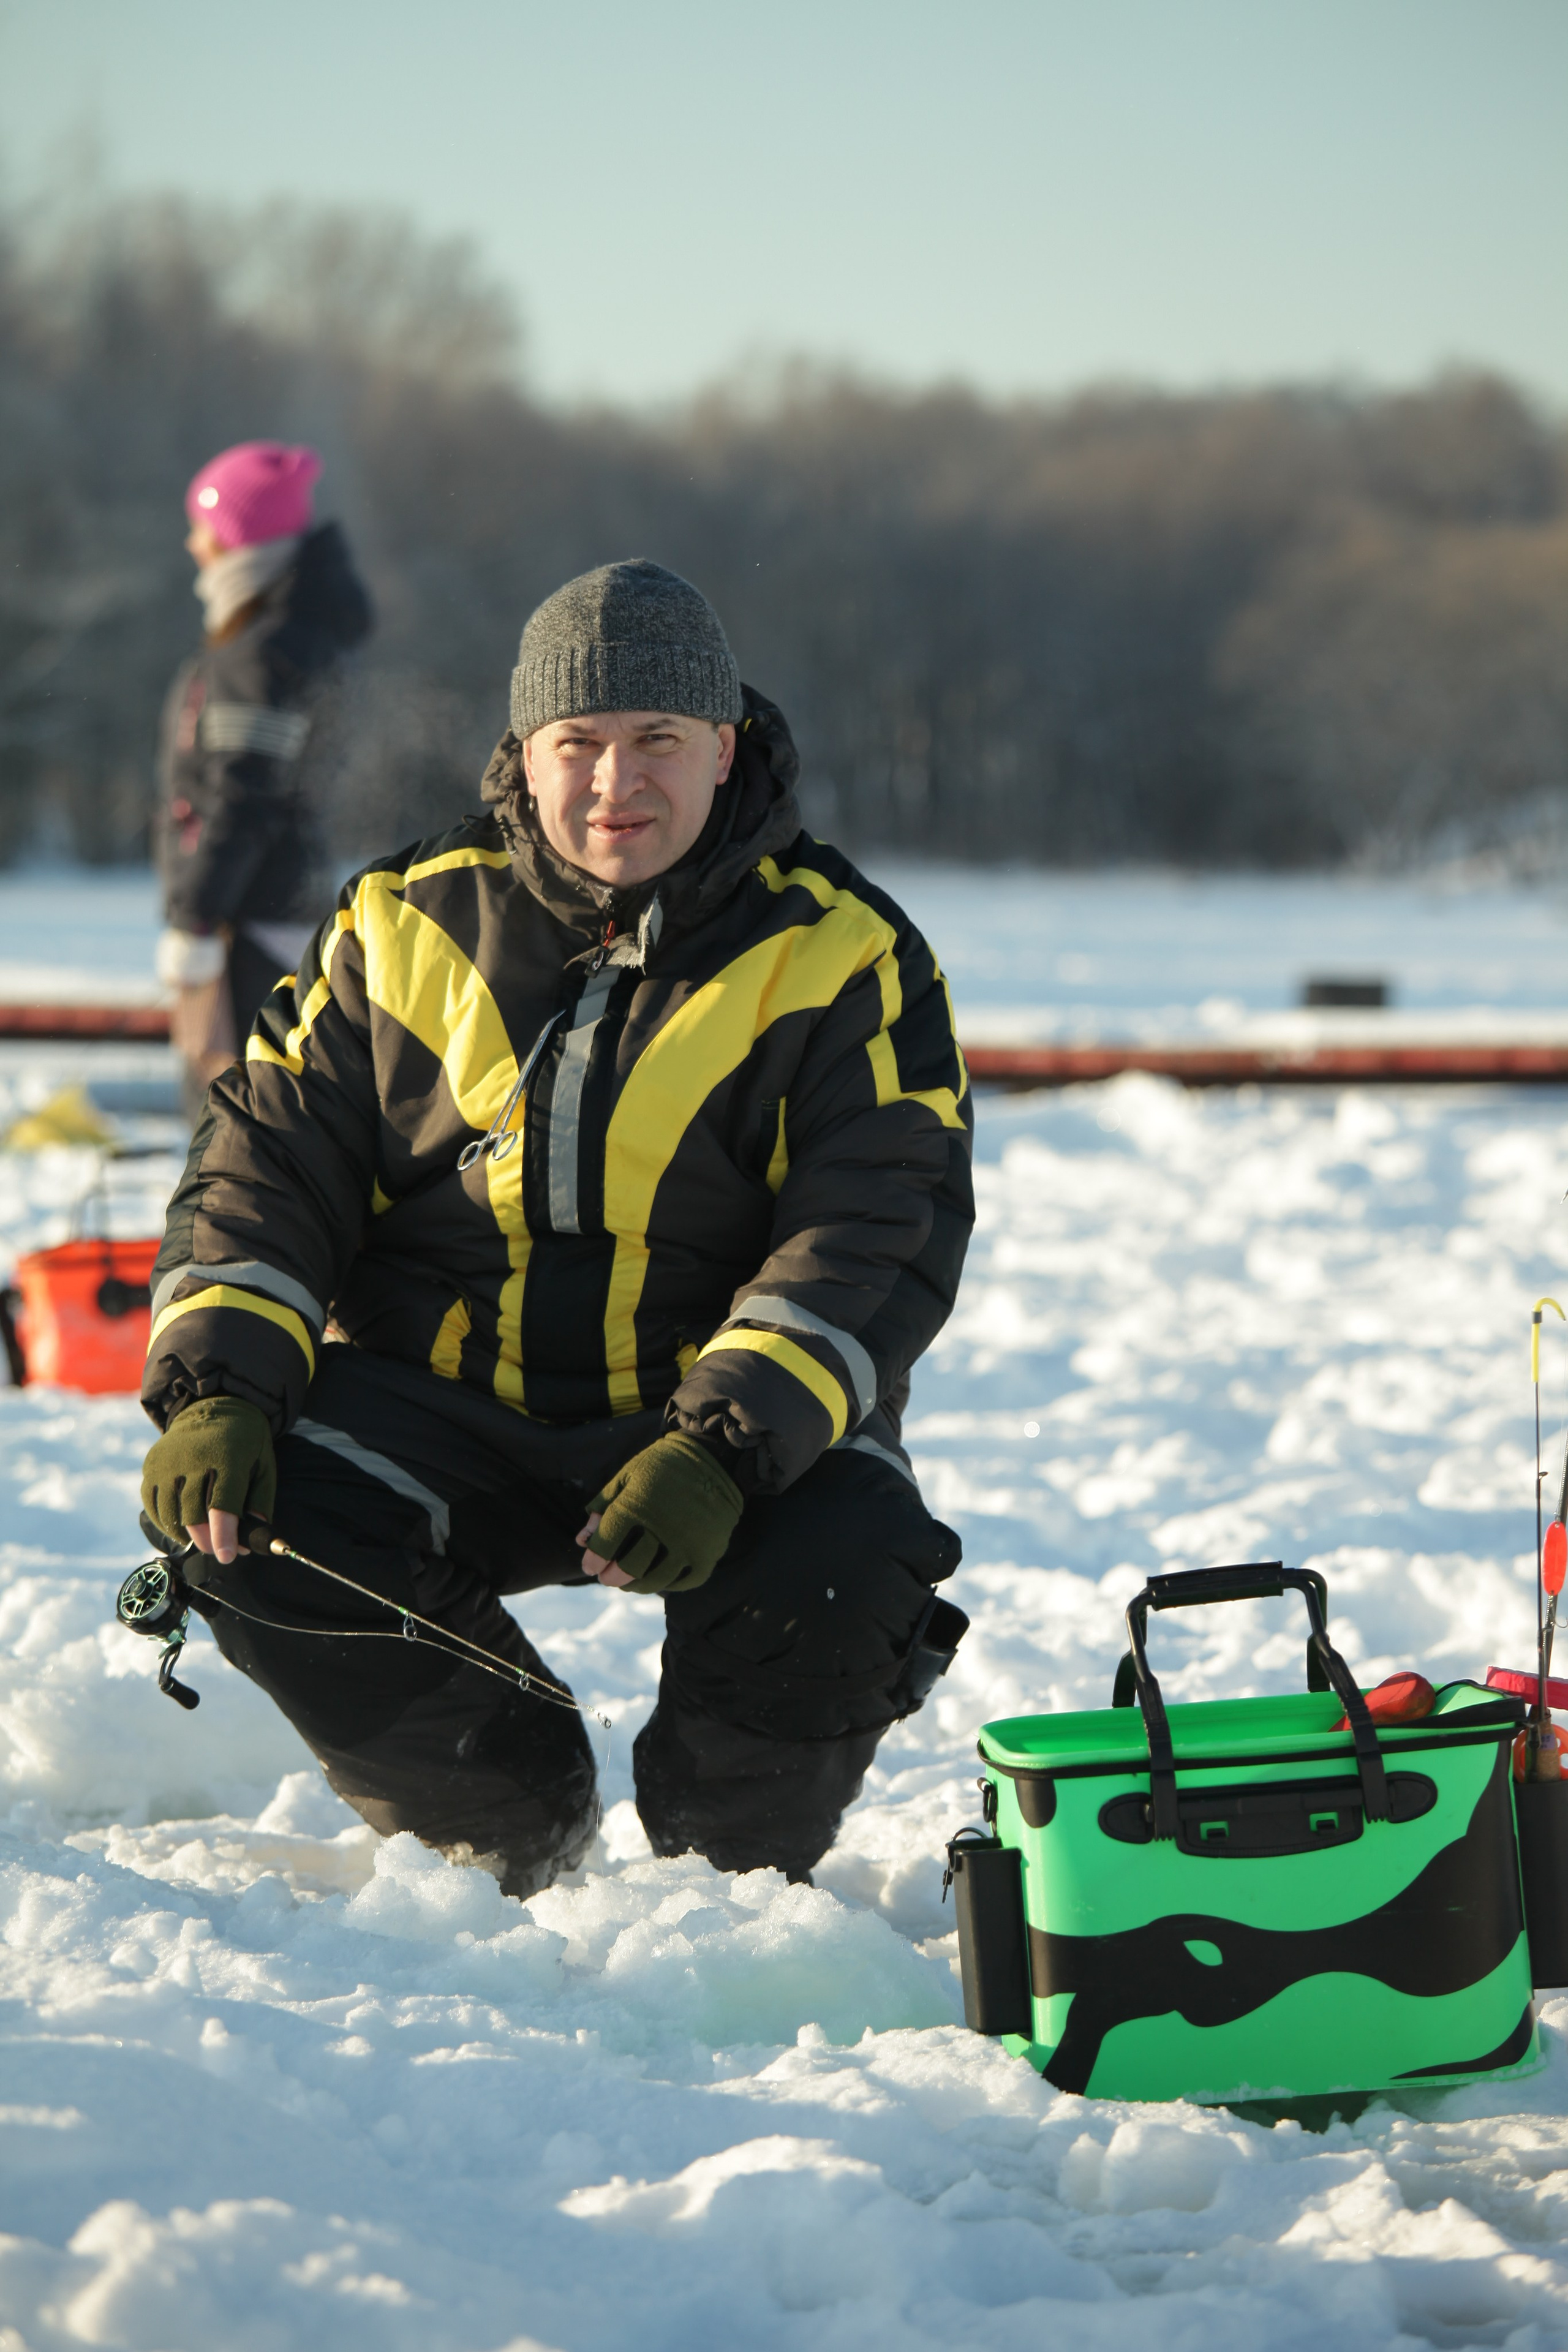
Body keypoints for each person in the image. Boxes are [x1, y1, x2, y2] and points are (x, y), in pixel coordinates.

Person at [138, 559, 974, 1895]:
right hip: (436, 1399)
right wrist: (219, 1386)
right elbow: (265, 1160)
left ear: (723, 745)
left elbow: (877, 1226)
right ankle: (507, 1822)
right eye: (576, 744)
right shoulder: (399, 922)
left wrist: (723, 1446)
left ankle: (724, 1882)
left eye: (656, 742)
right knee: (247, 1518)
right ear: (522, 757)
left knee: (849, 1560)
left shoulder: (845, 956)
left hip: (704, 1424)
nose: (614, 784)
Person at [155, 440, 373, 1110]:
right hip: (271, 909)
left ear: (236, 541)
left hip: (246, 928)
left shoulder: (262, 652)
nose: (193, 544)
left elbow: (244, 798)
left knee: (236, 1125)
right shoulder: (286, 638)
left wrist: (196, 921)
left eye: (203, 528)